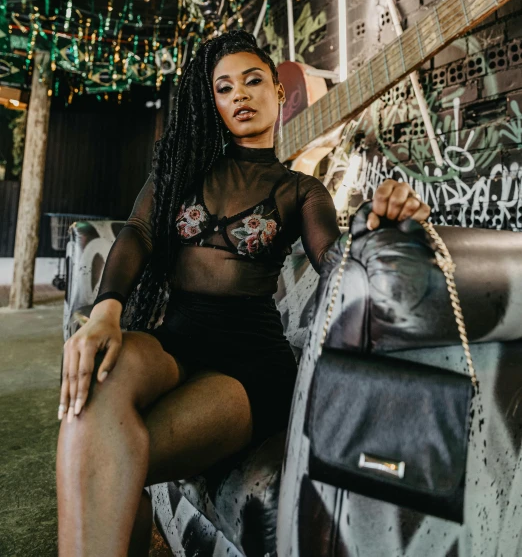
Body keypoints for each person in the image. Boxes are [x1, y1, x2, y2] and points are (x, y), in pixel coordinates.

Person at [55, 30, 431, 556]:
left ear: (279, 93)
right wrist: (105, 311)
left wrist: (378, 219)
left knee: (106, 456)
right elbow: (137, 233)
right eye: (224, 87)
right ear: (213, 102)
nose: (240, 96)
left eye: (253, 81)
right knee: (91, 394)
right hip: (174, 340)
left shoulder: (300, 189)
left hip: (249, 365)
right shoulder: (182, 172)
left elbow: (336, 260)